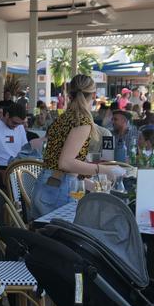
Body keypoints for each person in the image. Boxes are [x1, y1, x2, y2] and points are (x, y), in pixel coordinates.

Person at [38, 75, 124, 217]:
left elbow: (59, 160)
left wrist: (89, 182)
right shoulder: (81, 121)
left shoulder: (63, 118)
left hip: (47, 184)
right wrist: (104, 170)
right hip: (60, 189)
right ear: (94, 95)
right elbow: (65, 163)